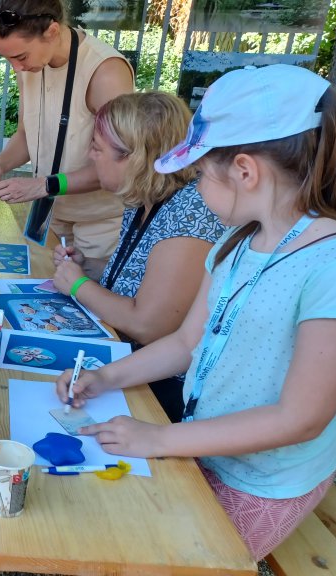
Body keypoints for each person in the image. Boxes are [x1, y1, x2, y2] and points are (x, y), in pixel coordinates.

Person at [57, 65, 336, 560]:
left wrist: (161, 436)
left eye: (201, 173)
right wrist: (105, 377)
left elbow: (301, 418)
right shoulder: (235, 241)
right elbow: (185, 343)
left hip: (260, 481)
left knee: (162, 559)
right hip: (201, 444)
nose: (196, 187)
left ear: (245, 171)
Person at [51, 92, 224, 422]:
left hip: (162, 393)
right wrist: (88, 268)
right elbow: (139, 280)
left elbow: (149, 325)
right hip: (126, 365)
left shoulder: (189, 214)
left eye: (97, 149)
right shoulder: (143, 199)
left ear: (136, 158)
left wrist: (79, 285)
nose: (90, 155)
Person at [0, 0, 134, 279]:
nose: (16, 68)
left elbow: (122, 164)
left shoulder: (105, 71)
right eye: (8, 59)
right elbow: (27, 134)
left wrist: (44, 185)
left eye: (21, 57)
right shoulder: (31, 65)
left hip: (98, 223)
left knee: (90, 311)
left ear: (51, 31)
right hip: (51, 217)